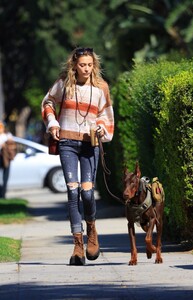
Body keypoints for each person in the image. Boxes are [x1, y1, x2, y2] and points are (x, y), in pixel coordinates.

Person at [41, 47, 114, 265]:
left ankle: (91, 228)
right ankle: (78, 245)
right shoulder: (64, 83)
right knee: (73, 193)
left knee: (88, 193)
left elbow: (105, 115)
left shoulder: (101, 87)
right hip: (67, 143)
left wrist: (101, 128)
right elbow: (48, 102)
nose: (86, 69)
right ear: (74, 65)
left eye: (90, 65)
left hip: (89, 145)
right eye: (82, 65)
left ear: (94, 65)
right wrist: (52, 123)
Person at [0, 121, 17, 198]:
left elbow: (12, 145)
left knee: (5, 177)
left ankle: (3, 194)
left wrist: (5, 145)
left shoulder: (7, 135)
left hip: (6, 158)